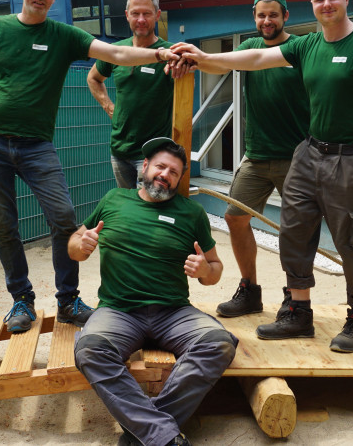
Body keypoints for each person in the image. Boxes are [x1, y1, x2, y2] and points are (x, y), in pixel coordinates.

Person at [172, 0, 353, 354]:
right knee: (293, 232)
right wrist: (201, 57)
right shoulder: (307, 46)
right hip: (309, 152)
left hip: (351, 156)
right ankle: (298, 312)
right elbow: (255, 58)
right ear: (311, 4)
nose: (326, 4)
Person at [0, 0, 181, 334]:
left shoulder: (65, 35)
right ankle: (21, 301)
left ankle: (68, 300)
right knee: (4, 225)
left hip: (37, 146)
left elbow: (117, 55)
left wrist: (160, 55)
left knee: (63, 217)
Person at [69, 137, 238, 446]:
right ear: (145, 167)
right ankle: (164, 436)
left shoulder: (191, 214)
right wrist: (80, 245)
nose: (165, 175)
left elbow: (215, 270)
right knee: (90, 349)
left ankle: (144, 435)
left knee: (219, 344)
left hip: (173, 312)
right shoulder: (114, 200)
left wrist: (205, 271)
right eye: (160, 166)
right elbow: (76, 244)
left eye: (174, 172)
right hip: (118, 311)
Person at [208, 0, 310, 318]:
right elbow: (219, 63)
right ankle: (249, 291)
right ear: (254, 17)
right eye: (261, 15)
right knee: (235, 218)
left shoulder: (299, 49)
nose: (267, 21)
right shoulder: (249, 48)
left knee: (295, 229)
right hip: (256, 156)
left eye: (273, 15)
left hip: (295, 157)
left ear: (285, 16)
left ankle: (294, 298)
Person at [86, 0, 175, 188]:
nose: (141, 19)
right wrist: (109, 107)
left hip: (153, 154)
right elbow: (93, 78)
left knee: (146, 211)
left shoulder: (169, 53)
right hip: (119, 151)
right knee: (127, 208)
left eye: (147, 13)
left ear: (157, 15)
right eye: (135, 13)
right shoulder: (117, 51)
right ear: (127, 16)